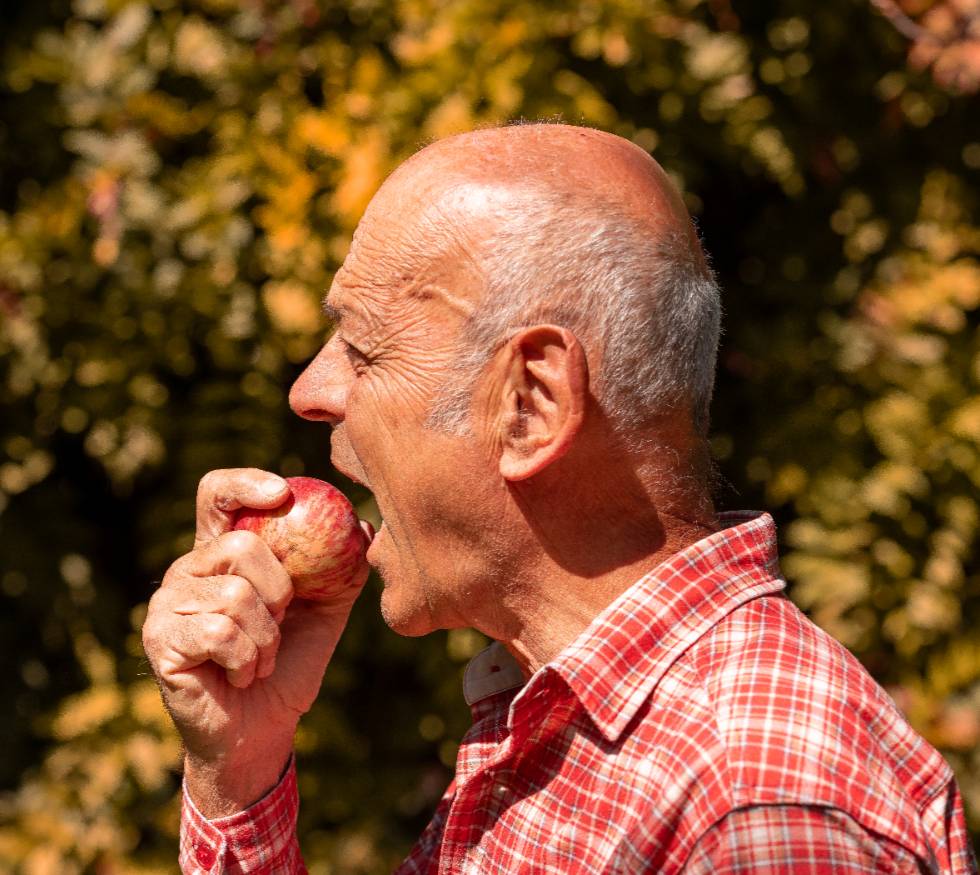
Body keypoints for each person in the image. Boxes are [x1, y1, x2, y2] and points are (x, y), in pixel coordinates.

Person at [142, 124, 977, 874]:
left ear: (531, 404)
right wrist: (239, 769)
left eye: (363, 350)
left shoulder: (755, 815)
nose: (309, 390)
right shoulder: (558, 725)